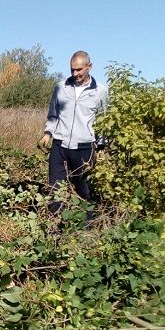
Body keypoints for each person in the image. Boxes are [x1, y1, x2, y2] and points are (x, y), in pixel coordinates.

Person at [38, 51, 109, 223]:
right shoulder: (60, 88)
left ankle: (87, 231)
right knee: (55, 189)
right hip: (60, 146)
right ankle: (56, 228)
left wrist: (101, 147)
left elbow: (103, 120)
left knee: (84, 190)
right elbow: (53, 114)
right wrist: (48, 133)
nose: (75, 74)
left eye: (79, 69)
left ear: (89, 67)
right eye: (72, 70)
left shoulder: (101, 91)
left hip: (84, 148)